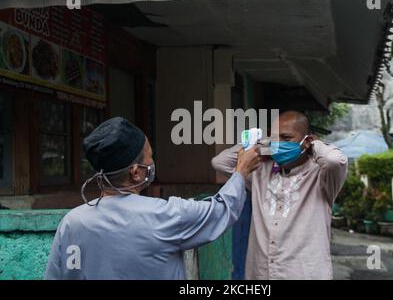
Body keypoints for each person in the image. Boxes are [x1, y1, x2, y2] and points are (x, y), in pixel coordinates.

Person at [45, 117, 261, 280]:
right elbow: (220, 210)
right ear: (136, 172)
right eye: (149, 154)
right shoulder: (164, 215)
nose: (152, 160)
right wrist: (241, 171)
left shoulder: (72, 222)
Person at [212, 111, 348, 279]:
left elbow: (334, 160)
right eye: (274, 138)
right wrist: (262, 145)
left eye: (286, 138)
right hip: (260, 275)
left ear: (307, 140)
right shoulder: (259, 172)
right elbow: (220, 162)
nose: (278, 144)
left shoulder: (321, 177)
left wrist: (313, 145)